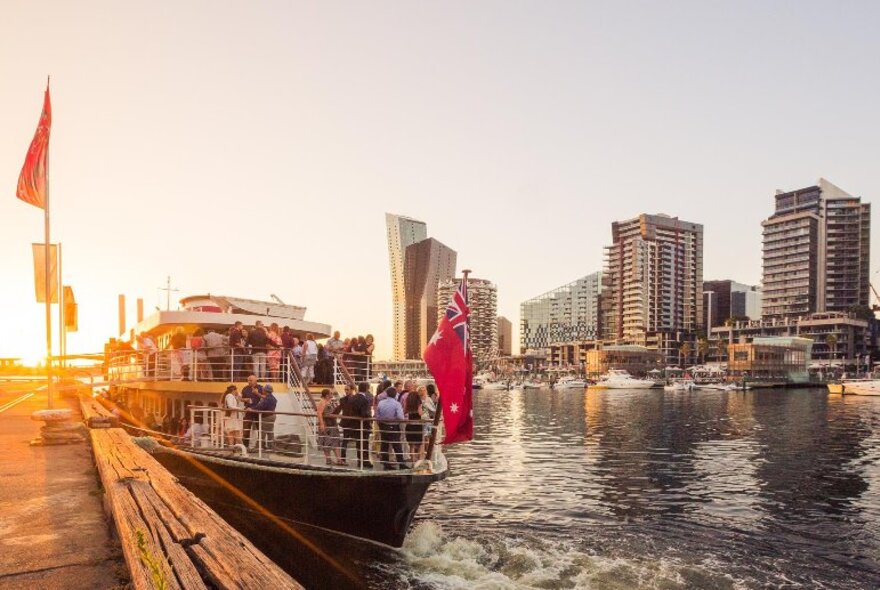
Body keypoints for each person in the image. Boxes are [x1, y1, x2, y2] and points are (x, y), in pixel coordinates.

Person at [376, 388, 405, 470]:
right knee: (397, 445)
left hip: (383, 426)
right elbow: (400, 417)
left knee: (384, 445)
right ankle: (401, 464)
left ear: (387, 394)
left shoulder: (381, 403)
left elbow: (377, 416)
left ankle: (386, 464)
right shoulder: (397, 404)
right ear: (395, 394)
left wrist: (380, 423)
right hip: (393, 426)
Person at [316, 389, 343, 465]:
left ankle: (338, 459)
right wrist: (321, 424)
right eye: (331, 393)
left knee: (335, 442)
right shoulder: (322, 402)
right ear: (327, 395)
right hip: (327, 425)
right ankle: (329, 459)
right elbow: (319, 413)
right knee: (326, 442)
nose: (332, 394)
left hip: (332, 424)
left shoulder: (329, 402)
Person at [350, 382, 373, 468]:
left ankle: (360, 461)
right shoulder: (364, 400)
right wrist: (369, 418)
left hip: (354, 424)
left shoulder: (352, 398)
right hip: (363, 425)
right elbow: (364, 413)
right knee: (364, 443)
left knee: (359, 443)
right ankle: (365, 461)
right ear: (367, 389)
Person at [241, 375, 263, 448]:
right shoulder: (245, 389)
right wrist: (245, 399)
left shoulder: (260, 388)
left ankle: (260, 446)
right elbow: (241, 398)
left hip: (258, 411)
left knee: (260, 429)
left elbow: (265, 398)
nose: (249, 382)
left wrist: (257, 393)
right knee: (246, 429)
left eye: (251, 380)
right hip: (248, 410)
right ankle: (245, 446)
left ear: (255, 380)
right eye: (248, 380)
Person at [253, 384, 278, 450]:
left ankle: (258, 447)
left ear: (265, 391)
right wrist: (257, 393)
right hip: (272, 416)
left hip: (267, 417)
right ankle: (271, 446)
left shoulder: (267, 399)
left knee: (262, 432)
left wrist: (251, 409)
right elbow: (264, 398)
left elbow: (260, 407)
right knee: (270, 431)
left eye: (263, 389)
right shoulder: (272, 398)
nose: (262, 390)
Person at [405, 386, 425, 463]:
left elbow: (405, 411)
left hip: (410, 425)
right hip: (417, 425)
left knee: (411, 444)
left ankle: (412, 459)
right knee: (419, 443)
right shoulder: (418, 402)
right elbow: (420, 413)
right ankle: (419, 459)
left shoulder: (408, 403)